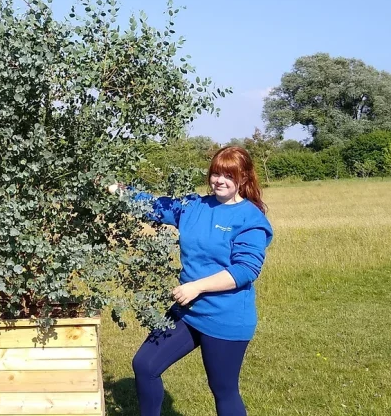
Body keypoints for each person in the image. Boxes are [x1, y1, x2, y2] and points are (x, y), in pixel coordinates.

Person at [111, 146, 274, 416]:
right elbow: (155, 207)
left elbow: (246, 269)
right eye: (216, 174)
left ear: (243, 179)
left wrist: (197, 286)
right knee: (145, 365)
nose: (220, 181)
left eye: (228, 176)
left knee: (223, 390)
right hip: (187, 312)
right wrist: (119, 190)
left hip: (225, 317)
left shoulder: (250, 219)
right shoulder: (194, 206)